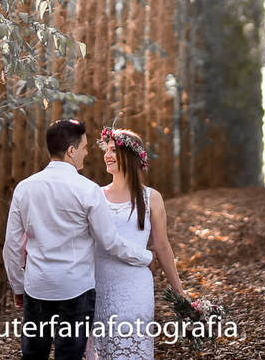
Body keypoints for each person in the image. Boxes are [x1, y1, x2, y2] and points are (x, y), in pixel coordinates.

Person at [3, 118, 154, 360]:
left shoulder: (24, 188)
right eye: (84, 148)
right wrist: (145, 256)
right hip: (76, 289)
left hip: (37, 287)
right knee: (69, 356)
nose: (86, 153)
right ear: (71, 151)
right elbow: (110, 241)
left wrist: (18, 286)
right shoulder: (87, 189)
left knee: (33, 355)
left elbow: (11, 245)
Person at [87, 127, 185, 360]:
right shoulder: (95, 195)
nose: (107, 155)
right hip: (99, 286)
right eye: (106, 150)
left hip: (135, 289)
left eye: (113, 151)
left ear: (130, 156)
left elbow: (162, 246)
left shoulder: (151, 197)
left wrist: (179, 292)